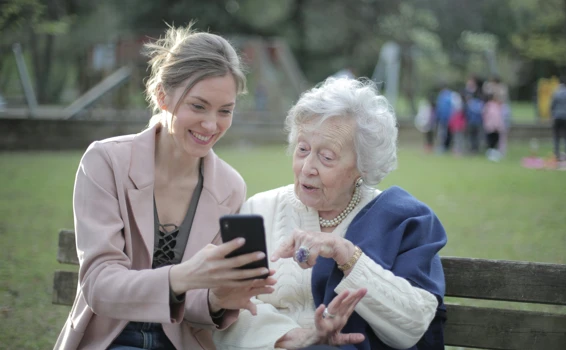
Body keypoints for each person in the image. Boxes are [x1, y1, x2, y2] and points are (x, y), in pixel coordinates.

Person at [54, 24, 277, 350]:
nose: (211, 125)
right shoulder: (106, 162)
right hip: (110, 339)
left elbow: (197, 306)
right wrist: (183, 276)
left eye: (225, 111)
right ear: (162, 96)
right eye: (198, 106)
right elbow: (99, 286)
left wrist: (219, 297)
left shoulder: (230, 187)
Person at [213, 77, 448, 349]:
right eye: (302, 149)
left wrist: (346, 254)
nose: (307, 167)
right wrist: (291, 337)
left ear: (363, 166)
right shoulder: (259, 209)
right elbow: (226, 307)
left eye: (327, 157)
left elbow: (414, 324)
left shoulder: (402, 219)